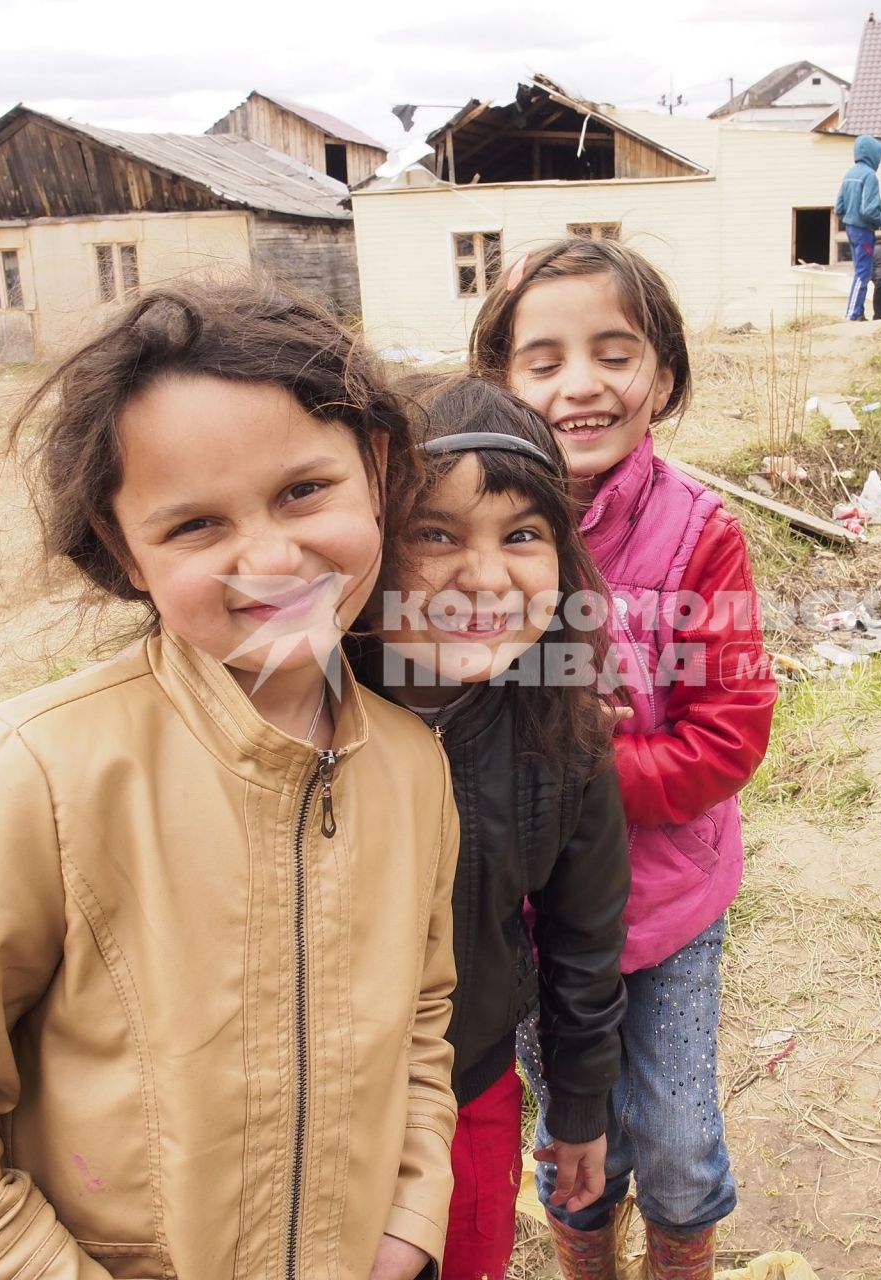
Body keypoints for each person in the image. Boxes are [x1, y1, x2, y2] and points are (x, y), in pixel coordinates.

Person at [0, 282, 463, 1280]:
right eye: (197, 525)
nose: (273, 556)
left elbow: (422, 1023)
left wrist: (407, 1219)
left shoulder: (414, 766)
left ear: (375, 472)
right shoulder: (35, 770)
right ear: (124, 552)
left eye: (303, 490)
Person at [470, 237, 777, 1279]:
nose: (581, 384)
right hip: (536, 921)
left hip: (667, 905)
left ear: (664, 375)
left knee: (681, 1147)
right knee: (576, 1144)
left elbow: (730, 730)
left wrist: (587, 776)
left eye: (614, 351)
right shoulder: (463, 542)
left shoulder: (701, 535)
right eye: (542, 359)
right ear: (500, 383)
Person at [360, 377, 629, 1280]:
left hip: (470, 1084)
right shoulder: (303, 713)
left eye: (521, 536)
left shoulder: (568, 734)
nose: (483, 577)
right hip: (312, 1103)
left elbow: (584, 938)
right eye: (435, 534)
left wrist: (581, 1107)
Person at [835, 135, 881, 321]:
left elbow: (839, 207)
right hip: (863, 229)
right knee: (863, 271)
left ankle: (859, 311)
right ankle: (853, 313)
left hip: (850, 228)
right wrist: (880, 219)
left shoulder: (849, 174)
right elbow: (868, 209)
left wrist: (849, 218)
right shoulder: (869, 176)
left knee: (861, 269)